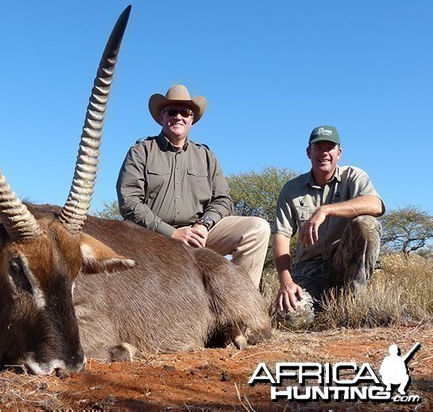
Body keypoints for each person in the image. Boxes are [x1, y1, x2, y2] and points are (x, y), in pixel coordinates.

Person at [116, 84, 269, 288]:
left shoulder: (206, 156)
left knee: (257, 228)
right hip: (154, 237)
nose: (178, 116)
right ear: (161, 117)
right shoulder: (141, 151)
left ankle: (243, 304)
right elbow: (129, 202)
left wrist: (203, 226)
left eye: (184, 112)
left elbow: (223, 200)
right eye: (171, 111)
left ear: (192, 120)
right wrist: (172, 233)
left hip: (199, 234)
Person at [273, 125, 385, 325]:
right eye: (318, 147)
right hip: (309, 268)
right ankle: (321, 308)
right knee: (290, 318)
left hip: (343, 265)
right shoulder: (291, 189)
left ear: (339, 153)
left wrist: (325, 210)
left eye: (329, 148)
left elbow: (376, 205)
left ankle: (353, 305)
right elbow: (281, 236)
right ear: (309, 152)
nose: (324, 153)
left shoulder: (354, 176)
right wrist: (286, 282)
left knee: (366, 223)